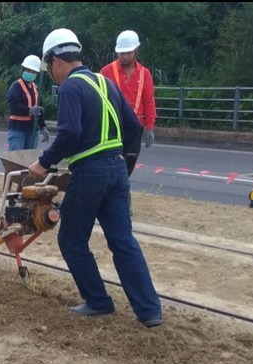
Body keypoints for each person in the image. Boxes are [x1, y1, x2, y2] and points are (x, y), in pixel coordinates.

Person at [28, 29, 163, 329]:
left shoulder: (71, 88)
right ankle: (150, 311)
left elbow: (70, 132)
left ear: (55, 61)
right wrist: (122, 167)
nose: (51, 72)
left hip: (91, 173)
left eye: (49, 65)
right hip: (116, 171)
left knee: (71, 238)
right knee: (123, 241)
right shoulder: (106, 83)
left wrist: (43, 163)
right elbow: (133, 127)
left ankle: (99, 301)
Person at [99, 30, 156, 177]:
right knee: (110, 165)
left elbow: (149, 102)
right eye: (121, 53)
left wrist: (150, 127)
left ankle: (121, 191)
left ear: (136, 51)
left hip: (135, 127)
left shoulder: (145, 74)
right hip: (112, 127)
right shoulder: (106, 71)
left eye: (128, 53)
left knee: (128, 165)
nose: (124, 56)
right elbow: (97, 100)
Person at [6, 55, 50, 151]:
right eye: (28, 70)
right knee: (16, 159)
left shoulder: (36, 88)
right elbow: (14, 106)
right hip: (18, 129)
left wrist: (43, 126)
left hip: (33, 130)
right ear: (22, 70)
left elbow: (39, 110)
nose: (31, 73)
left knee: (29, 159)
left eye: (33, 72)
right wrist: (29, 111)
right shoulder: (16, 86)